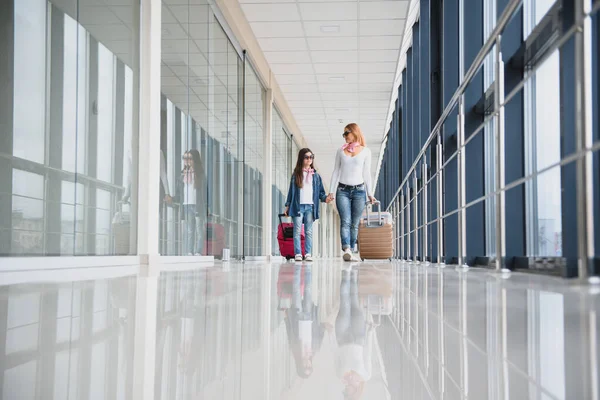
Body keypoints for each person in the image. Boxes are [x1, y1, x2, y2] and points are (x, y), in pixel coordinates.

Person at [328, 123, 376, 262]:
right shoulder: (340, 151)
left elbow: (367, 173)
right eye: (343, 134)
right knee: (346, 221)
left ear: (354, 132)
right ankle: (347, 248)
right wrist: (331, 191)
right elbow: (336, 171)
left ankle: (352, 250)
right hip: (342, 190)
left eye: (346, 133)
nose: (344, 136)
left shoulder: (366, 151)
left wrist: (370, 193)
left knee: (355, 223)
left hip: (359, 191)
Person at [285, 148, 333, 262]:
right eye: (307, 157)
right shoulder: (296, 174)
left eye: (311, 157)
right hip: (298, 206)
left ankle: (307, 253)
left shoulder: (316, 176)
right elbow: (291, 192)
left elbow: (320, 193)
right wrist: (287, 206)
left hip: (310, 207)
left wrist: (326, 198)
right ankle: (298, 253)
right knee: (297, 231)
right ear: (302, 158)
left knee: (308, 231)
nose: (309, 159)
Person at [173, 149, 207, 256]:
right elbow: (179, 194)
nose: (186, 161)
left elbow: (204, 193)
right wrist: (172, 199)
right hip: (186, 205)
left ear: (194, 160)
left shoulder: (200, 175)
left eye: (189, 158)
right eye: (185, 158)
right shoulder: (182, 175)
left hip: (197, 206)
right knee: (189, 231)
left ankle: (198, 251)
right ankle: (189, 251)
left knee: (199, 231)